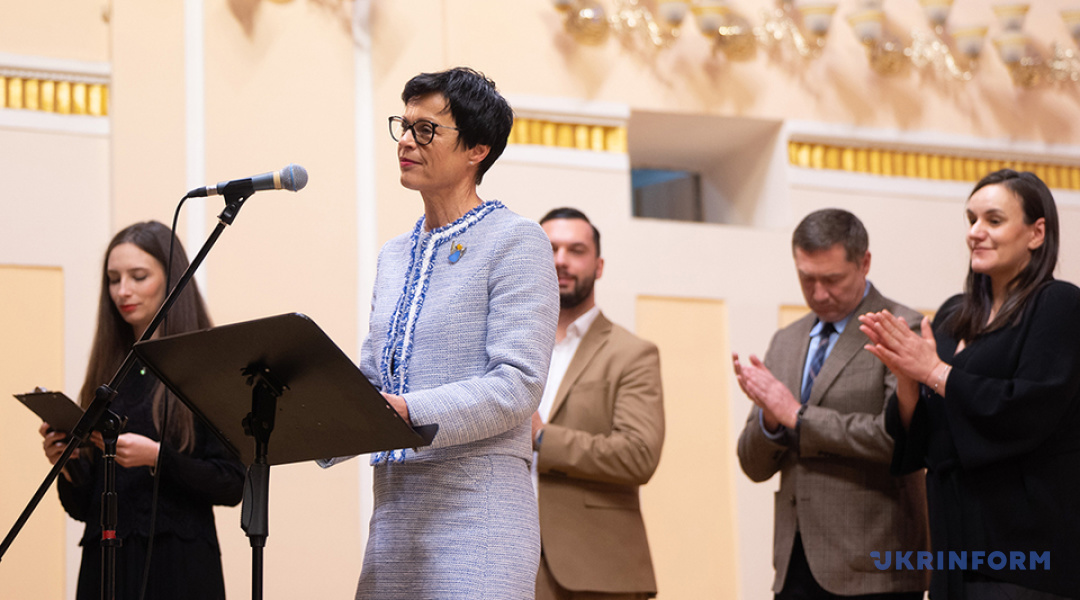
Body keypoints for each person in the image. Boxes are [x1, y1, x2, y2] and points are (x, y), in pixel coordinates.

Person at [320, 67, 558, 599]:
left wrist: (406, 411)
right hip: (395, 515)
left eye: (426, 129)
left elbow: (517, 384)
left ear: (477, 149)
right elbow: (374, 377)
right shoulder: (394, 255)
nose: (406, 141)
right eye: (404, 126)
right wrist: (307, 414)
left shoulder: (516, 241)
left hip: (479, 515)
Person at [860, 169, 1080, 599]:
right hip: (954, 545)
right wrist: (908, 380)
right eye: (971, 219)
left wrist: (935, 373)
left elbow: (1027, 409)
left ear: (1036, 233)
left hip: (1028, 550)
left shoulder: (1059, 304)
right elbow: (923, 438)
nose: (975, 232)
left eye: (993, 220)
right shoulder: (953, 314)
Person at [39, 220, 245, 600]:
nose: (123, 291)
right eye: (113, 279)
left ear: (172, 280)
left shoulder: (205, 368)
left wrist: (157, 458)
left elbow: (233, 484)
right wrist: (68, 465)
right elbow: (83, 508)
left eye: (138, 277)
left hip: (179, 565)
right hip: (106, 564)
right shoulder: (108, 371)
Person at [734, 208, 929, 599]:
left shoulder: (901, 328)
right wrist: (771, 422)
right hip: (795, 562)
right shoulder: (786, 340)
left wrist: (797, 416)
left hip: (875, 565)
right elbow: (753, 466)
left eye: (833, 279)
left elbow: (898, 441)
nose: (819, 293)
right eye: (807, 279)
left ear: (864, 263)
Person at [531, 208, 665, 600]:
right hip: (508, 562)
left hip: (598, 569)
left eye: (576, 250)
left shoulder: (631, 353)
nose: (561, 260)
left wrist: (542, 439)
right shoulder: (508, 347)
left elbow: (639, 455)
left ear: (599, 265)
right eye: (550, 249)